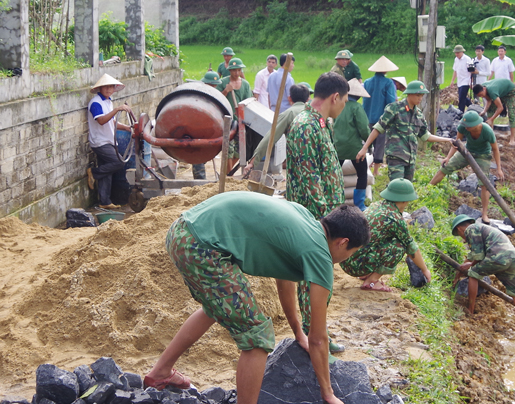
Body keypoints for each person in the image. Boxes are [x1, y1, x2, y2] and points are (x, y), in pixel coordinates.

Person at [143, 192, 369, 404]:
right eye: (352, 252)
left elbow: (285, 280)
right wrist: (328, 394)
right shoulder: (320, 255)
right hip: (200, 247)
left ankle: (161, 372)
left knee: (217, 306)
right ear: (343, 242)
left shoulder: (305, 219)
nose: (347, 258)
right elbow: (319, 338)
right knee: (257, 335)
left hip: (182, 230)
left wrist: (297, 331)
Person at [285, 72, 349, 349]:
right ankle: (314, 336)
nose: (344, 105)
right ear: (335, 97)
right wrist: (329, 219)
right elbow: (310, 180)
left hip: (326, 215)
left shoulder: (322, 124)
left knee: (321, 277)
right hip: (314, 218)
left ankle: (319, 332)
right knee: (313, 278)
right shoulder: (305, 127)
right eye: (344, 100)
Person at [340, 179, 431, 292]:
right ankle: (372, 281)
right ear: (404, 200)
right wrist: (425, 270)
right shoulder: (394, 218)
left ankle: (366, 273)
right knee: (400, 246)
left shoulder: (376, 205)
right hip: (354, 266)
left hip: (345, 259)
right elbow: (412, 249)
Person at [355, 81, 451, 181]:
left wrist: (447, 140)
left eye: (422, 95)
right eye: (418, 95)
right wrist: (365, 147)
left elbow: (425, 136)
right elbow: (378, 128)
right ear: (409, 94)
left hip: (411, 159)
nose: (420, 98)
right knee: (397, 187)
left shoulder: (419, 115)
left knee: (406, 191)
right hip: (396, 156)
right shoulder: (395, 109)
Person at [450, 215, 515, 334]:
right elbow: (469, 259)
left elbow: (478, 256)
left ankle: (470, 309)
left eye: (461, 236)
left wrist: (471, 265)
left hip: (498, 256)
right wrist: (458, 275)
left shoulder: (470, 229)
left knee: (473, 274)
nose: (464, 239)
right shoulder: (482, 229)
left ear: (460, 229)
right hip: (514, 259)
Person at [430, 111, 504, 224]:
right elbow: (457, 143)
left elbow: (495, 149)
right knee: (446, 167)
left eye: (469, 126)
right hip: (466, 151)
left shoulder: (487, 131)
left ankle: (484, 214)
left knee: (485, 183)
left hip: (483, 155)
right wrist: (448, 158)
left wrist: (499, 168)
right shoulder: (463, 127)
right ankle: (427, 189)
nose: (466, 128)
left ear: (476, 124)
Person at [86, 74, 133, 209]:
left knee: (107, 171)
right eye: (105, 87)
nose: (108, 89)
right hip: (100, 141)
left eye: (110, 87)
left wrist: (126, 128)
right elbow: (101, 120)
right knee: (118, 162)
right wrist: (117, 109)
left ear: (114, 89)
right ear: (100, 88)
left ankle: (104, 201)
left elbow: (111, 121)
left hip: (108, 140)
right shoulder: (96, 103)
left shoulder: (108, 101)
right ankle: (94, 173)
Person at [244, 83, 311, 176]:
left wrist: (253, 162)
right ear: (308, 99)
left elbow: (270, 138)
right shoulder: (315, 112)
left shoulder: (288, 114)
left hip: (299, 163)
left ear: (290, 98)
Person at [333, 79, 372, 211]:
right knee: (362, 174)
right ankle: (359, 204)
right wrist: (368, 143)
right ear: (359, 95)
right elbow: (363, 129)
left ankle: (334, 199)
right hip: (354, 148)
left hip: (338, 146)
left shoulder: (338, 105)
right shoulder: (356, 107)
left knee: (335, 174)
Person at [363, 56, 399, 177]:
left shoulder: (367, 82)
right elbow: (390, 101)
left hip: (367, 117)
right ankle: (376, 170)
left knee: (367, 142)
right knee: (379, 144)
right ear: (386, 70)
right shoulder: (388, 83)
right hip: (381, 118)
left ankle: (366, 166)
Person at [216, 58, 252, 174]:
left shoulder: (245, 85)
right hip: (227, 122)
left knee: (239, 150)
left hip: (241, 121)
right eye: (234, 70)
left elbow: (249, 102)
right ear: (229, 71)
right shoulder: (223, 83)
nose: (236, 73)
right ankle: (227, 175)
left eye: (238, 70)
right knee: (228, 149)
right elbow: (216, 99)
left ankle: (228, 173)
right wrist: (226, 91)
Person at [192, 71, 223, 180]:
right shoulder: (199, 94)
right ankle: (199, 179)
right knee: (198, 155)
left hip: (209, 128)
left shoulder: (214, 95)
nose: (214, 87)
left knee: (205, 153)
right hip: (197, 127)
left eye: (215, 85)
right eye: (212, 85)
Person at [472, 79, 515, 147]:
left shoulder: (492, 91)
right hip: (500, 93)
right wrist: (484, 111)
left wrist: (492, 119)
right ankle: (491, 137)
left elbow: (500, 108)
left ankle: (512, 139)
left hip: (510, 92)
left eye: (481, 95)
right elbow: (488, 100)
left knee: (511, 114)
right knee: (490, 110)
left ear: (484, 89)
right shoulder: (483, 88)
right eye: (480, 96)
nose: (482, 97)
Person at [450, 44, 474, 113]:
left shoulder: (467, 59)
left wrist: (471, 82)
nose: (456, 54)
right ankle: (471, 106)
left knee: (461, 98)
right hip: (460, 81)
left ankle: (461, 111)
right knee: (462, 96)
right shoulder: (456, 60)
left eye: (458, 53)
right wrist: (452, 80)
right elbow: (455, 70)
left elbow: (471, 71)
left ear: (462, 52)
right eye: (455, 53)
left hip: (466, 81)